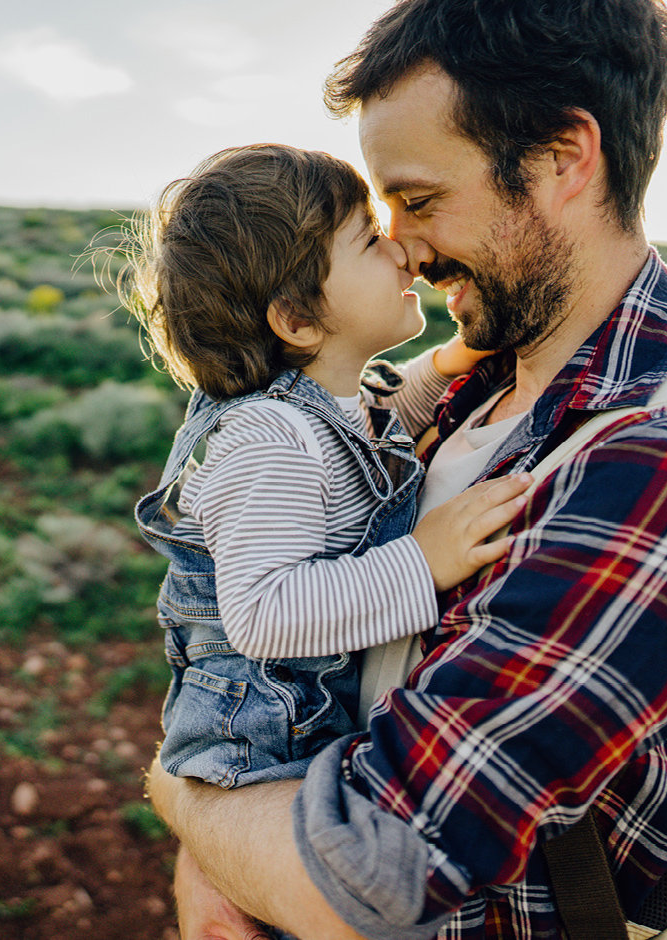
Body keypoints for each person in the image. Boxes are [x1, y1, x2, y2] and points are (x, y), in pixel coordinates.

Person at [146, 1, 667, 939]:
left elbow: (370, 878)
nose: (403, 246)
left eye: (417, 201)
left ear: (561, 159)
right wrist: (227, 844)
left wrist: (187, 801)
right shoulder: (481, 379)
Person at [126, 144, 533, 793]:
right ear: (296, 318)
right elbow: (264, 612)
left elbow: (371, 424)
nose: (401, 250)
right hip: (263, 748)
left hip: (307, 721)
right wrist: (422, 565)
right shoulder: (269, 441)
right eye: (371, 240)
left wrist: (448, 364)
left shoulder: (317, 411)